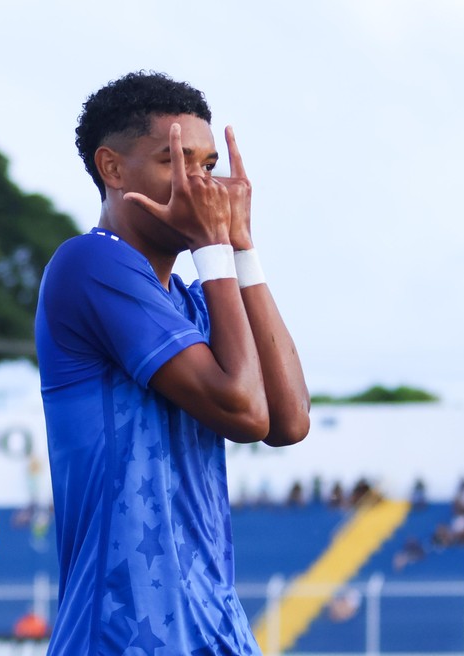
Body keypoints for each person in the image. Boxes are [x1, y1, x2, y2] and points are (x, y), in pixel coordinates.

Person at [36, 71, 310, 654]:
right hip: (124, 631)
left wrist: (240, 248)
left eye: (208, 167)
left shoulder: (190, 297)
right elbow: (243, 410)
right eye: (175, 162)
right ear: (111, 168)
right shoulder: (89, 263)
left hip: (214, 622)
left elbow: (289, 421)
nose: (200, 186)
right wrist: (213, 247)